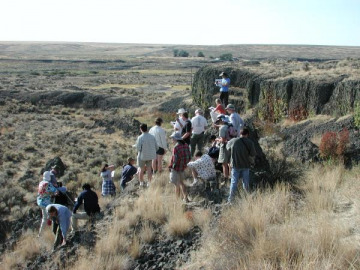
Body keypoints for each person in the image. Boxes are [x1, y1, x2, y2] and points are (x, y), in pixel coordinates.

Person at [226, 128, 256, 202]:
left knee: (234, 182)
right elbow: (253, 154)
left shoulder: (233, 141)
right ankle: (246, 198)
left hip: (235, 165)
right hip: (246, 165)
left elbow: (227, 148)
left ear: (240, 133)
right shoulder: (250, 142)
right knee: (245, 183)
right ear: (247, 134)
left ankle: (231, 199)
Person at [168, 132, 191, 202]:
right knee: (182, 183)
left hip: (176, 168)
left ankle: (177, 200)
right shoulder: (186, 145)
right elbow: (189, 156)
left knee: (176, 184)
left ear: (175, 139)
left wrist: (171, 167)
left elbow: (175, 159)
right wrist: (185, 165)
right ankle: (185, 198)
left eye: (172, 138)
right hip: (183, 167)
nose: (172, 140)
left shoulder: (176, 147)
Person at [37, 171, 58, 237]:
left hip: (40, 202)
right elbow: (55, 191)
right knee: (47, 218)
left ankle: (41, 233)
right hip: (46, 203)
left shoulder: (41, 182)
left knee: (46, 217)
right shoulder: (48, 184)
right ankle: (45, 234)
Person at [215, 114, 231, 184]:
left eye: (219, 120)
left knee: (224, 163)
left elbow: (223, 139)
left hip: (224, 146)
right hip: (231, 145)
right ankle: (231, 177)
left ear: (221, 120)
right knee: (230, 163)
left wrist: (217, 140)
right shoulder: (230, 125)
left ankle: (226, 179)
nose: (218, 122)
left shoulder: (222, 128)